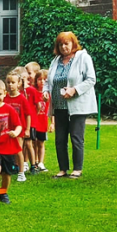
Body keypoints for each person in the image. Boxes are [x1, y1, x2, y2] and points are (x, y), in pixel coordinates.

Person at [43, 31, 97, 179]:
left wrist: (74, 90)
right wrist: (46, 91)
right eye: (60, 44)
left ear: (73, 43)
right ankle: (63, 169)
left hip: (77, 105)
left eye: (66, 43)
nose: (63, 47)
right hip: (59, 104)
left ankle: (77, 169)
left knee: (76, 136)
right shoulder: (56, 61)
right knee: (60, 138)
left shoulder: (83, 58)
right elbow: (48, 80)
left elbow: (91, 79)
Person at [3, 70, 33, 183]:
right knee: (6, 151)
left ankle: (21, 172)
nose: (10, 85)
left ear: (18, 83)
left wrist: (27, 129)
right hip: (6, 129)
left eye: (13, 82)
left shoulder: (22, 99)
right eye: (8, 82)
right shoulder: (5, 98)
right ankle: (9, 168)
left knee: (18, 150)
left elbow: (28, 115)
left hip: (18, 129)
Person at [23, 62, 43, 174]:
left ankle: (35, 163)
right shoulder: (23, 90)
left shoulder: (33, 90)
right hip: (22, 122)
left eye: (29, 73)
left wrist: (33, 115)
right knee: (24, 144)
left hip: (32, 122)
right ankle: (23, 163)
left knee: (33, 143)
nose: (28, 76)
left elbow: (38, 105)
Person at [33, 69, 51, 172]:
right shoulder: (34, 92)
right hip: (35, 122)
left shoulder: (48, 94)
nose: (42, 82)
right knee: (34, 142)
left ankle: (41, 162)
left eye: (45, 80)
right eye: (40, 79)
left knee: (41, 143)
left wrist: (52, 123)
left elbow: (51, 109)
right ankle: (34, 161)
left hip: (43, 122)